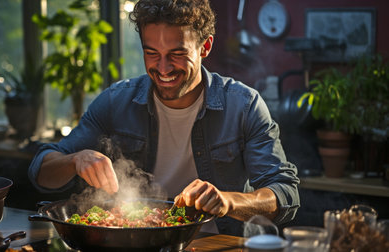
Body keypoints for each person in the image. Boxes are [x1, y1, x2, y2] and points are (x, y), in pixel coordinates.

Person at [28, 0, 300, 235]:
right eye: (152, 53)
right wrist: (75, 160)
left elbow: (285, 194)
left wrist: (228, 201)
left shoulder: (244, 105)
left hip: (214, 243)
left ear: (205, 47)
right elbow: (40, 170)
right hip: (130, 241)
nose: (163, 68)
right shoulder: (115, 101)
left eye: (177, 54)